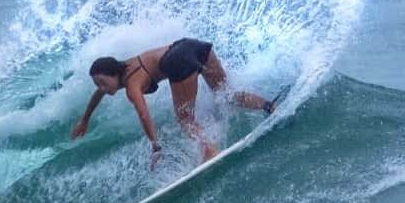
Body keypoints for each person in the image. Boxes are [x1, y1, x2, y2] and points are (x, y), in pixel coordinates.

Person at [70, 37, 276, 169]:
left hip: (177, 60)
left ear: (114, 74)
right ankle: (268, 106)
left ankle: (210, 150)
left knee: (185, 119)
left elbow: (143, 114)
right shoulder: (122, 67)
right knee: (225, 93)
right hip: (192, 46)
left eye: (103, 83)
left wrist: (156, 146)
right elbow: (98, 95)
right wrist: (85, 119)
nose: (102, 88)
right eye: (98, 84)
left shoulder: (132, 86)